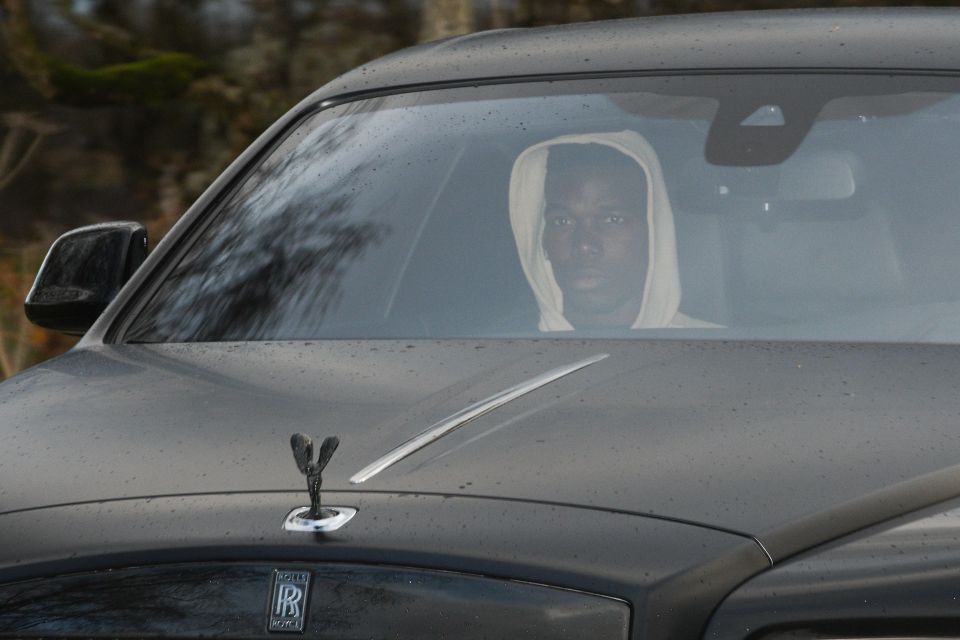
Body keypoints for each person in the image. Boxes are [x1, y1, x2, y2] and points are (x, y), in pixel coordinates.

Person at [509, 130, 706, 331]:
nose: (584, 245)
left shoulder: (714, 351)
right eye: (562, 221)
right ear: (541, 240)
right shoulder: (501, 350)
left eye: (613, 219)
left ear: (654, 232)